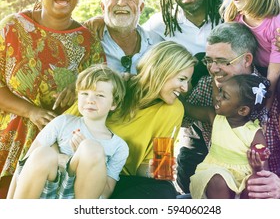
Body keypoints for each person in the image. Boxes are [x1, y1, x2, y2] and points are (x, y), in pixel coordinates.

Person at [0, 0, 105, 198]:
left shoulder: (88, 41)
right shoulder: (12, 28)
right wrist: (31, 111)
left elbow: (102, 91)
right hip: (7, 138)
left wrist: (80, 88)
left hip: (58, 148)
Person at [66, 41, 197, 198]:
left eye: (187, 81)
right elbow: (63, 125)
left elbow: (144, 168)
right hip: (80, 171)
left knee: (164, 190)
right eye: (182, 79)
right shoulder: (116, 86)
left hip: (119, 180)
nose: (185, 88)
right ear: (163, 71)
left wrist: (155, 169)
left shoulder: (173, 110)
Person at [179, 22, 280, 199]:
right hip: (220, 187)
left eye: (223, 62)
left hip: (274, 188)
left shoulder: (279, 90)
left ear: (247, 59)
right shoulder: (206, 86)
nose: (214, 69)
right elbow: (180, 117)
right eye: (209, 60)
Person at [222, 0, 280, 182]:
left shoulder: (278, 23)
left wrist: (265, 107)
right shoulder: (236, 17)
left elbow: (274, 74)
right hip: (259, 67)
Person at [7, 64, 128, 199]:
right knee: (44, 153)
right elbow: (25, 164)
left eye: (100, 95)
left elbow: (105, 193)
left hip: (80, 197)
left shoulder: (119, 146)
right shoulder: (63, 122)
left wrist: (84, 161)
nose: (90, 100)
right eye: (85, 93)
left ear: (114, 103)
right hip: (47, 191)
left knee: (91, 148)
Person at [189, 74, 270, 199]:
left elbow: (264, 173)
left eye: (224, 96)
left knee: (254, 183)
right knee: (217, 179)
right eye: (220, 91)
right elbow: (187, 108)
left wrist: (257, 168)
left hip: (243, 180)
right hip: (215, 172)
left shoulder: (254, 133)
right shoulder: (215, 117)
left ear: (242, 110)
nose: (218, 97)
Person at [84, 0, 153, 77]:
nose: (121, 3)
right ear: (103, 7)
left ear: (141, 8)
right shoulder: (87, 40)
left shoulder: (154, 44)